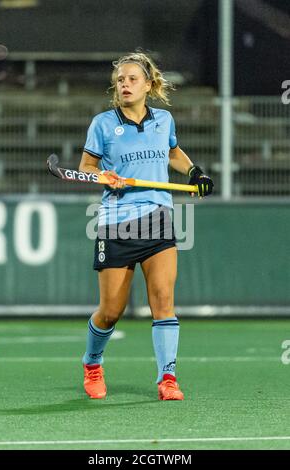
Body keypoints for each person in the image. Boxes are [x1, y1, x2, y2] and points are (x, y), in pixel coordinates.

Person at [79, 51, 213, 400]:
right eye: (120, 80)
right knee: (110, 312)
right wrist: (103, 176)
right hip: (117, 223)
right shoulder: (103, 124)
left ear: (148, 84)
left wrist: (195, 172)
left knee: (164, 300)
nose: (124, 84)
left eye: (132, 79)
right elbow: (86, 167)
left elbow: (172, 152)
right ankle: (92, 362)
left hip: (158, 217)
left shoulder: (164, 120)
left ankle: (167, 378)